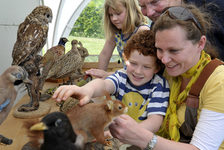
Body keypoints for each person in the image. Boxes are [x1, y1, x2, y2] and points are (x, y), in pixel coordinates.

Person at [108, 4, 224, 150]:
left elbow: (202, 148)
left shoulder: (218, 81)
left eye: (174, 50)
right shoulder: (168, 72)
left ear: (200, 43)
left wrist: (142, 137)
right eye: (159, 49)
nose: (164, 59)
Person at [53, 30, 169, 133]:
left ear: (156, 68)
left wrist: (131, 133)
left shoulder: (159, 86)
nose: (138, 71)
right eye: (133, 63)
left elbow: (155, 122)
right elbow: (104, 84)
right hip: (118, 133)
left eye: (146, 67)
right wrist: (85, 90)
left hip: (142, 139)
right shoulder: (123, 76)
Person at [138, 0, 224, 60]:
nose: (149, 13)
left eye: (155, 1)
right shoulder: (156, 28)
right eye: (142, 6)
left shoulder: (216, 8)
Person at [85, 0, 150, 79]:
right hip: (126, 76)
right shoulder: (117, 33)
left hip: (141, 78)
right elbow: (105, 55)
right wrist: (100, 77)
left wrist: (108, 75)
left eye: (118, 14)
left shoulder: (142, 31)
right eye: (111, 15)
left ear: (131, 11)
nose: (114, 18)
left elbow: (139, 66)